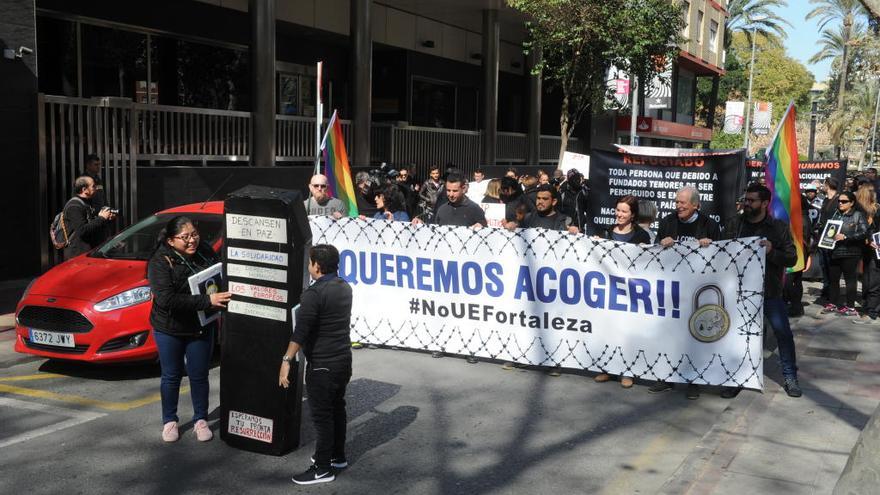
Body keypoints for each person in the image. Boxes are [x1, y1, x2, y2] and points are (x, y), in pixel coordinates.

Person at [147, 216, 231, 442]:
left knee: (199, 375)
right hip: (169, 328)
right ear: (171, 240)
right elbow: (166, 300)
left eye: (194, 234)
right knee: (171, 376)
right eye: (185, 237)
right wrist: (207, 300)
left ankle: (201, 419)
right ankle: (170, 421)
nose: (192, 240)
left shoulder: (204, 250)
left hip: (201, 326)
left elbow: (220, 276)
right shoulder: (159, 261)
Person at [279, 245, 353, 485]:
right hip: (343, 361)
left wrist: (286, 360)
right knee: (337, 409)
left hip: (322, 365)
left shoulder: (313, 294)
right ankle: (337, 456)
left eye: (310, 262)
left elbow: (301, 331)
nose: (308, 266)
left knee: (322, 418)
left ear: (317, 267)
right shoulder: (344, 287)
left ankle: (322, 469)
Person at [721, 184, 802, 398]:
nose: (747, 204)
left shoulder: (778, 228)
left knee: (782, 334)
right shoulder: (734, 224)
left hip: (770, 291)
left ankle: (790, 376)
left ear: (765, 203)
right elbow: (720, 252)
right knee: (738, 336)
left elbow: (792, 258)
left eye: (752, 201)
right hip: (739, 292)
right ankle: (737, 377)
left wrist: (772, 251)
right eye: (746, 199)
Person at [650, 186, 720, 400]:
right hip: (673, 289)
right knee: (670, 335)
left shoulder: (710, 225)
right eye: (677, 202)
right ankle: (667, 377)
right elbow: (654, 253)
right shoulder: (667, 222)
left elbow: (721, 255)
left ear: (696, 205)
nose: (678, 206)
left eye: (683, 203)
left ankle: (693, 381)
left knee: (694, 336)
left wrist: (710, 246)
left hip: (698, 290)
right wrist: (661, 244)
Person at [593, 196, 651, 389]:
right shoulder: (606, 232)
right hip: (608, 290)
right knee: (608, 329)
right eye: (617, 210)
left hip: (631, 292)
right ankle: (607, 368)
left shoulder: (642, 236)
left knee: (627, 331)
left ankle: (628, 372)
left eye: (624, 211)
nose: (619, 214)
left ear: (632, 214)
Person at [820, 190, 868, 316]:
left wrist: (846, 236)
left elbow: (864, 232)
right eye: (839, 201)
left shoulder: (858, 215)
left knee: (850, 280)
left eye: (844, 201)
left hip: (850, 252)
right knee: (833, 279)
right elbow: (829, 230)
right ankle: (833, 303)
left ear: (851, 203)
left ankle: (850, 307)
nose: (840, 203)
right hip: (834, 251)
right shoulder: (836, 214)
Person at [62, 175, 116, 260]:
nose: (96, 188)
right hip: (78, 255)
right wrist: (101, 218)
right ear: (84, 190)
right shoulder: (74, 206)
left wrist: (107, 218)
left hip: (90, 252)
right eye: (93, 186)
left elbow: (94, 224)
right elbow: (82, 230)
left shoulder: (88, 202)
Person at [855, 184, 880, 324]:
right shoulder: (859, 211)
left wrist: (871, 239)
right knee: (867, 279)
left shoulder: (876, 210)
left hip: (874, 250)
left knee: (873, 281)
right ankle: (868, 308)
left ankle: (871, 312)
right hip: (865, 250)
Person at [816, 177, 841, 305]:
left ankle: (832, 291)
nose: (822, 186)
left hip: (832, 235)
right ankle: (826, 289)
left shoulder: (838, 200)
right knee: (823, 264)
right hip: (822, 236)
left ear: (828, 185)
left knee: (831, 264)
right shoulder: (825, 199)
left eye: (824, 184)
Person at [514, 184, 579, 233]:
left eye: (545, 199)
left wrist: (574, 234)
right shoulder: (527, 218)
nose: (540, 202)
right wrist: (510, 227)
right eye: (538, 198)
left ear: (554, 202)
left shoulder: (565, 221)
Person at [558, 169, 589, 233]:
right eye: (575, 178)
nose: (578, 180)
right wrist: (565, 225)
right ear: (570, 180)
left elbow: (589, 209)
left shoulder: (583, 191)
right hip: (565, 229)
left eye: (578, 177)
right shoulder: (562, 191)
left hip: (580, 229)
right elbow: (558, 211)